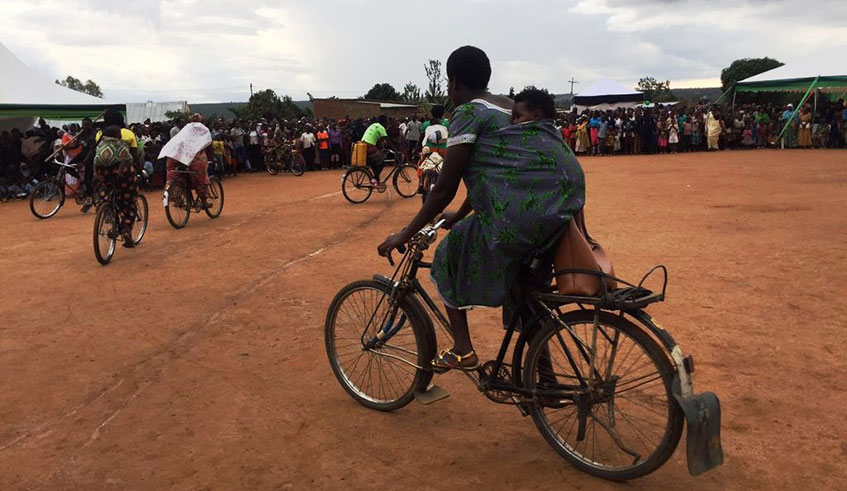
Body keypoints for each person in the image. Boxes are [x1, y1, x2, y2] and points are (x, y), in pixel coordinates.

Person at [378, 47, 586, 371]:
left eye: (448, 83)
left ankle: (463, 350)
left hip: (519, 218)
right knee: (524, 293)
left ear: (455, 83)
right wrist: (460, 215)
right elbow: (499, 172)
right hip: (552, 207)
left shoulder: (467, 113)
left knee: (447, 258)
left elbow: (444, 188)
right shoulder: (507, 106)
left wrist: (406, 233)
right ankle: (545, 381)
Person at [86, 109, 141, 247]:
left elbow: (93, 153)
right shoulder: (128, 133)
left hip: (102, 172)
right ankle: (126, 230)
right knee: (129, 200)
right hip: (123, 173)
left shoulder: (99, 134)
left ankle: (106, 210)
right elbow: (135, 156)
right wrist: (140, 171)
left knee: (104, 192)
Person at [159, 115, 214, 209]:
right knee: (200, 179)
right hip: (193, 157)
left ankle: (177, 197)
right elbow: (208, 145)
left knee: (176, 175)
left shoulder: (186, 129)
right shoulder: (204, 129)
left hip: (174, 156)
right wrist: (212, 158)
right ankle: (204, 201)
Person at [361, 115, 391, 190]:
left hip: (362, 145)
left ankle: (376, 180)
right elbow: (388, 140)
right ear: (384, 122)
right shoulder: (381, 127)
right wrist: (396, 151)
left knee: (375, 162)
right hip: (370, 146)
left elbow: (378, 140)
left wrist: (382, 148)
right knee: (382, 161)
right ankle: (374, 179)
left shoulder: (373, 125)